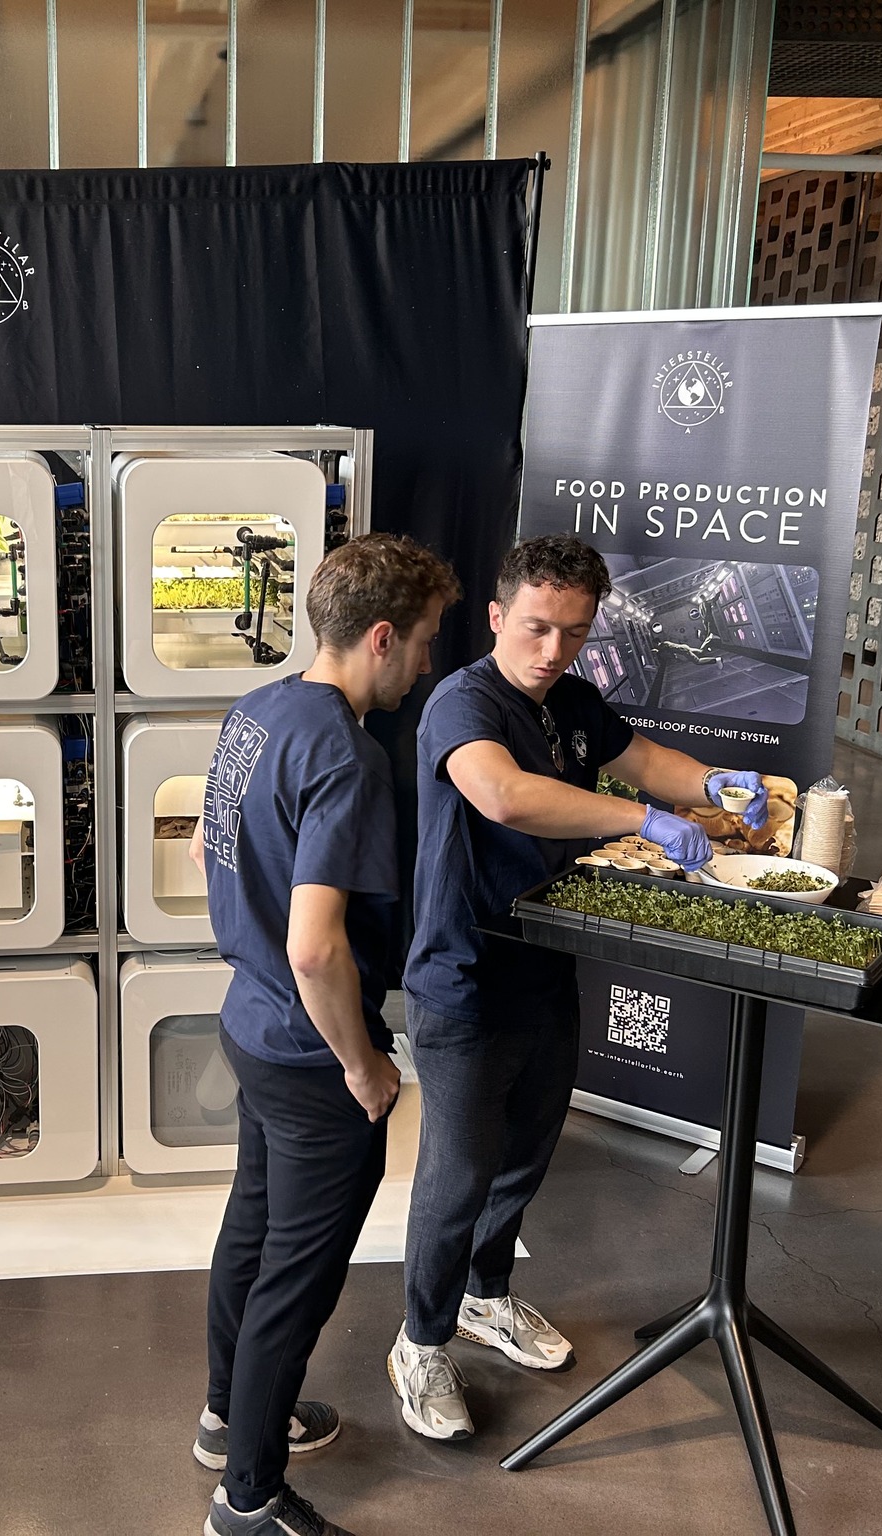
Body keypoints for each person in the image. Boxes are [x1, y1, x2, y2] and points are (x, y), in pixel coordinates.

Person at [388, 534, 770, 1440]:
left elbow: (642, 757)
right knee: (457, 1173)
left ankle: (486, 1296)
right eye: (535, 628)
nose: (552, 649)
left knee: (524, 1155)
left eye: (572, 631)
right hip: (463, 978)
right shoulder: (461, 703)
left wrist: (709, 780)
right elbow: (506, 797)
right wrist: (648, 821)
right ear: (495, 617)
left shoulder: (572, 699)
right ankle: (419, 1340)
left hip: (545, 966)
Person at [197, 533, 462, 1536]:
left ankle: (228, 1418)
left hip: (249, 1027)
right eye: (426, 642)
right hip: (311, 1056)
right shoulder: (346, 757)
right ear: (381, 639)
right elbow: (317, 950)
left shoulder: (255, 712)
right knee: (293, 1283)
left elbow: (204, 844)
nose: (427, 663)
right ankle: (249, 1500)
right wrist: (363, 1067)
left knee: (251, 1232)